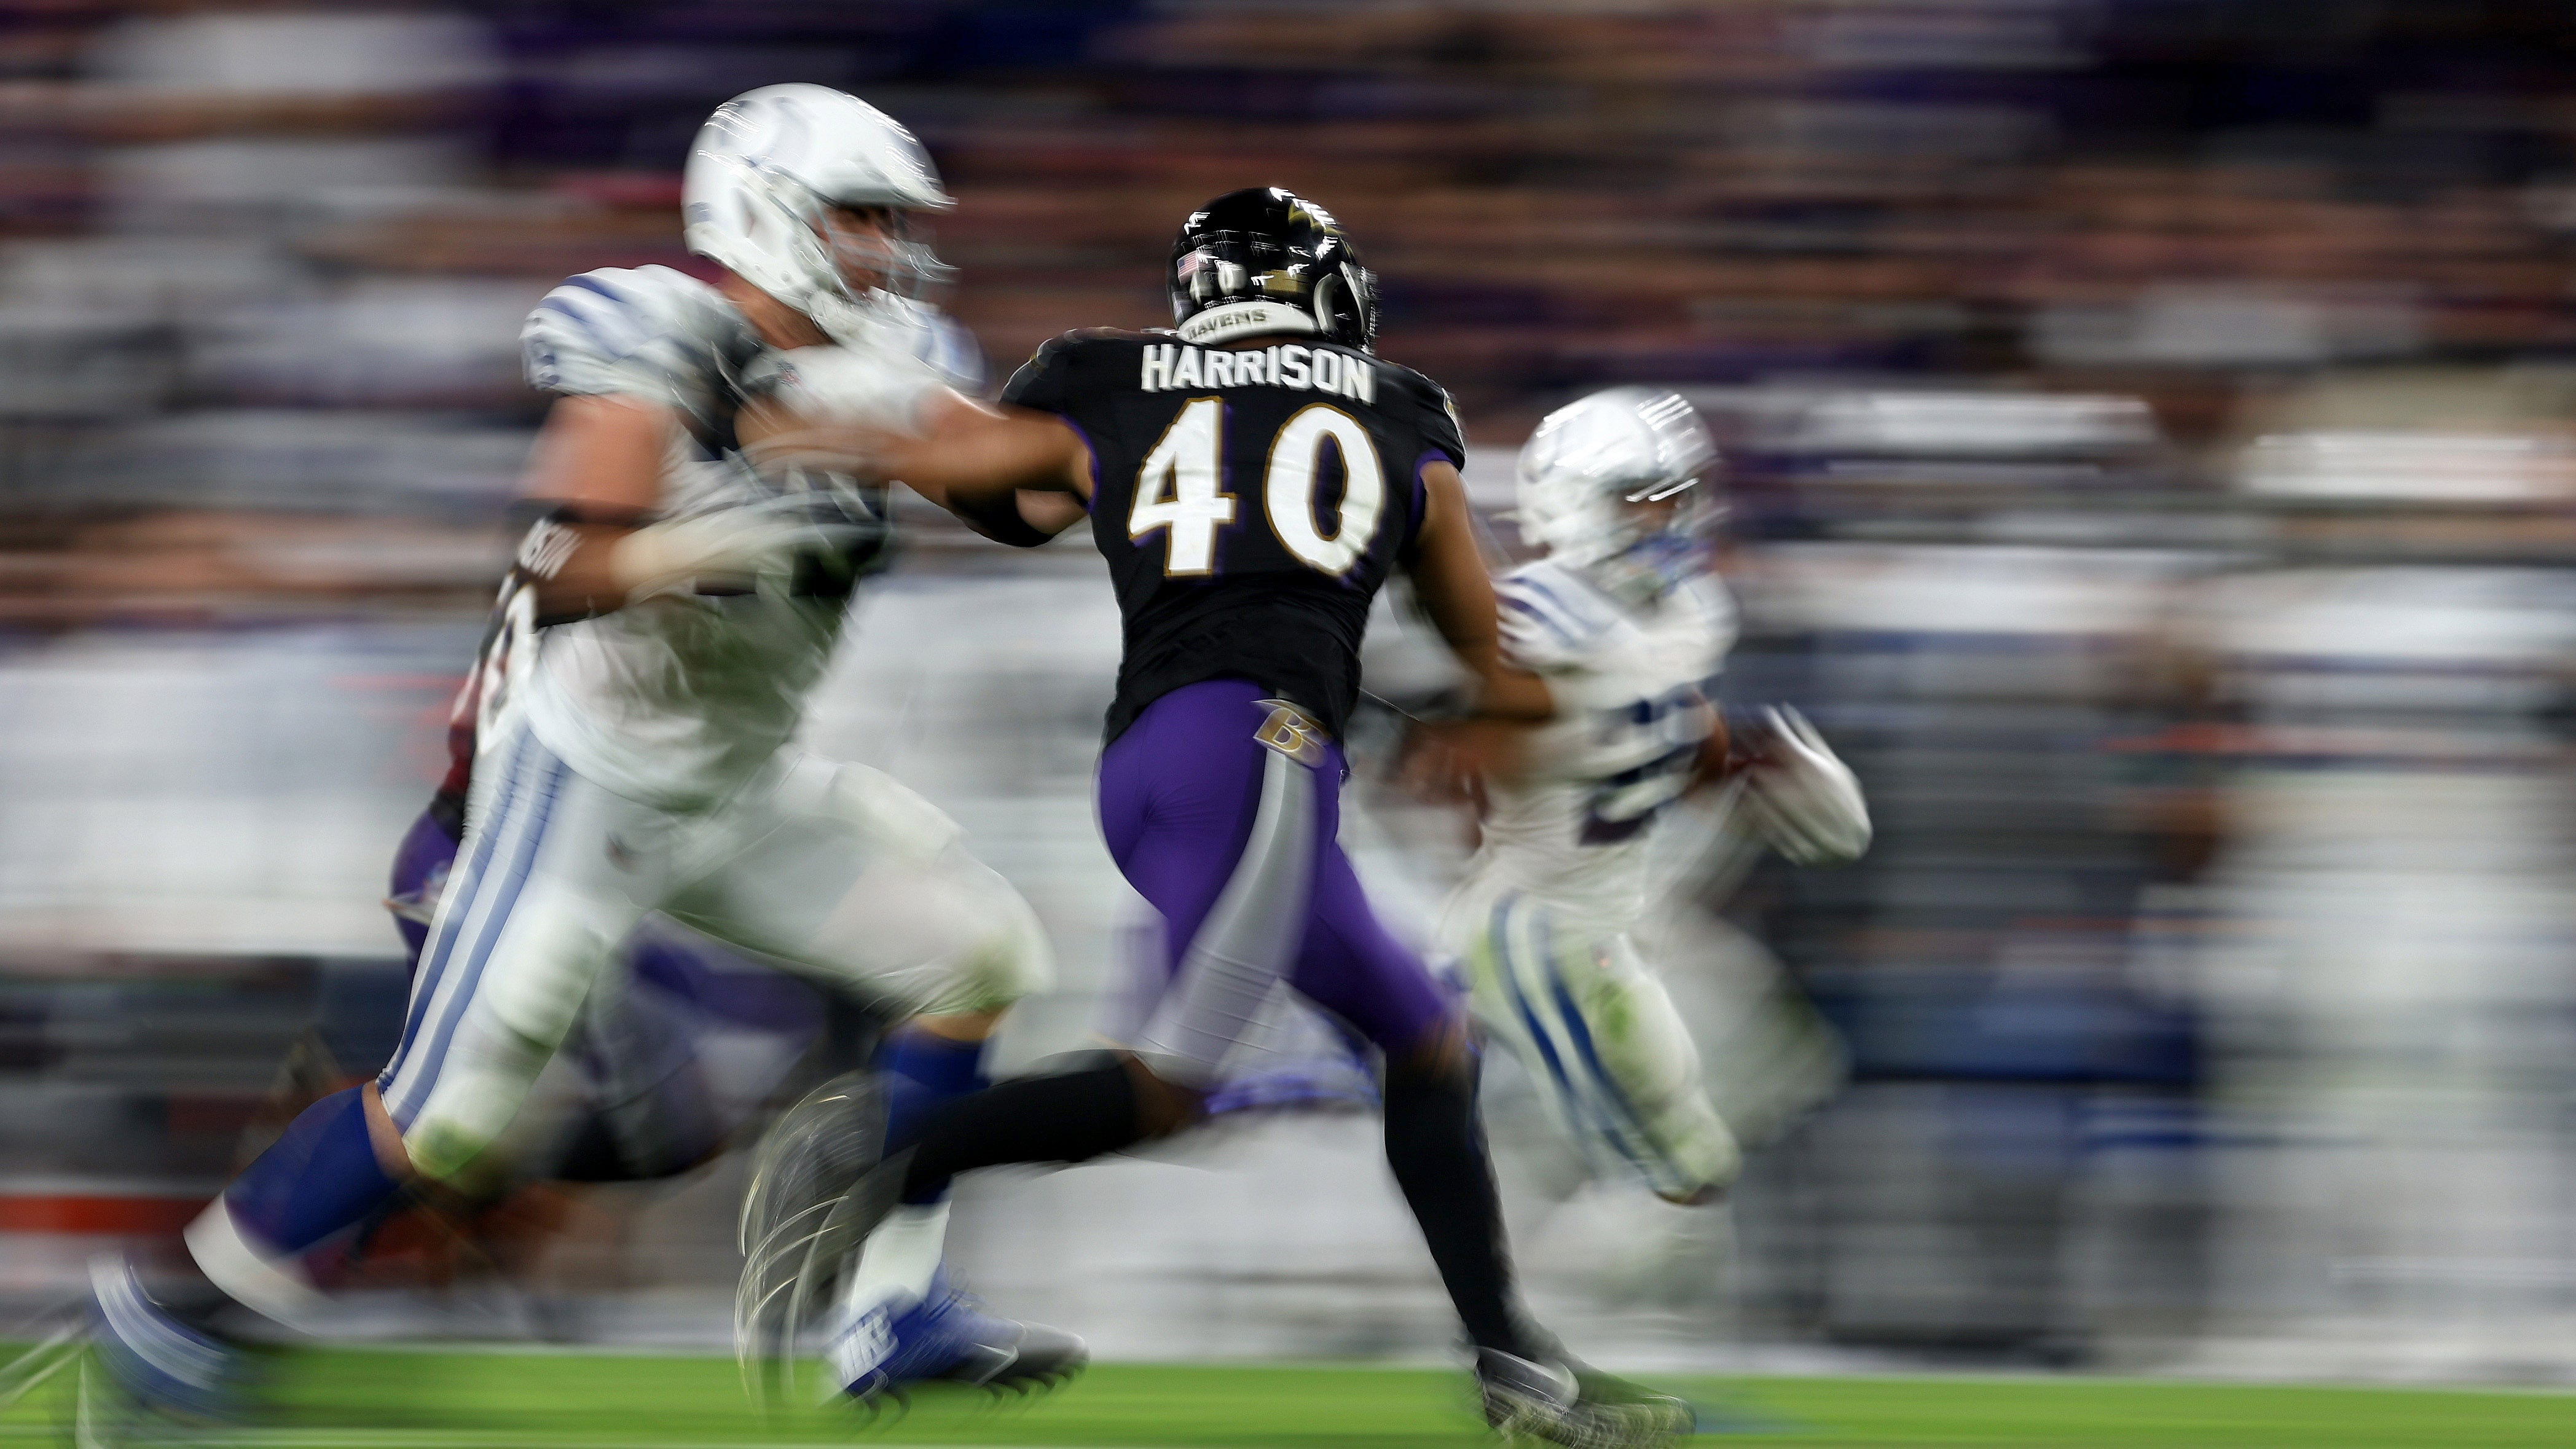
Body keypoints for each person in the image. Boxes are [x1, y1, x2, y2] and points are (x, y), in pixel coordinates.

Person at [85, 83, 1082, 1432]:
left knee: (973, 956)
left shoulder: (893, 353)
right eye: (857, 216)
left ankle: (891, 1310)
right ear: (766, 214)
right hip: (581, 782)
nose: (881, 249)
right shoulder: (654, 330)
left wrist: (1115, 432)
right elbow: (564, 567)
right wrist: (704, 544)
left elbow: (1023, 495)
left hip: (731, 784)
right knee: (445, 1119)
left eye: (887, 221)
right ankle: (179, 1310)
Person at [745, 187, 1694, 1447]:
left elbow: (975, 480)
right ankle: (880, 1151)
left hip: (1167, 763)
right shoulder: (1400, 409)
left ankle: (1518, 1367)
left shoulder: (1104, 378)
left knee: (1427, 1044)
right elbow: (1481, 655)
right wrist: (1630, 703)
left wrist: (805, 430)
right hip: (1261, 753)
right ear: (1322, 291)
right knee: (1167, 1089)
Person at [1435, 387, 1870, 1208]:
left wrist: (1745, 762)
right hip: (1524, 924)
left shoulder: (1690, 613)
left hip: (1620, 917)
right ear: (1574, 504)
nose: (1668, 519)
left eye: (1677, 498)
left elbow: (1662, 727)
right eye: (1643, 500)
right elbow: (1445, 772)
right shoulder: (1526, 621)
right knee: (1639, 1155)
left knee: (1761, 1077)